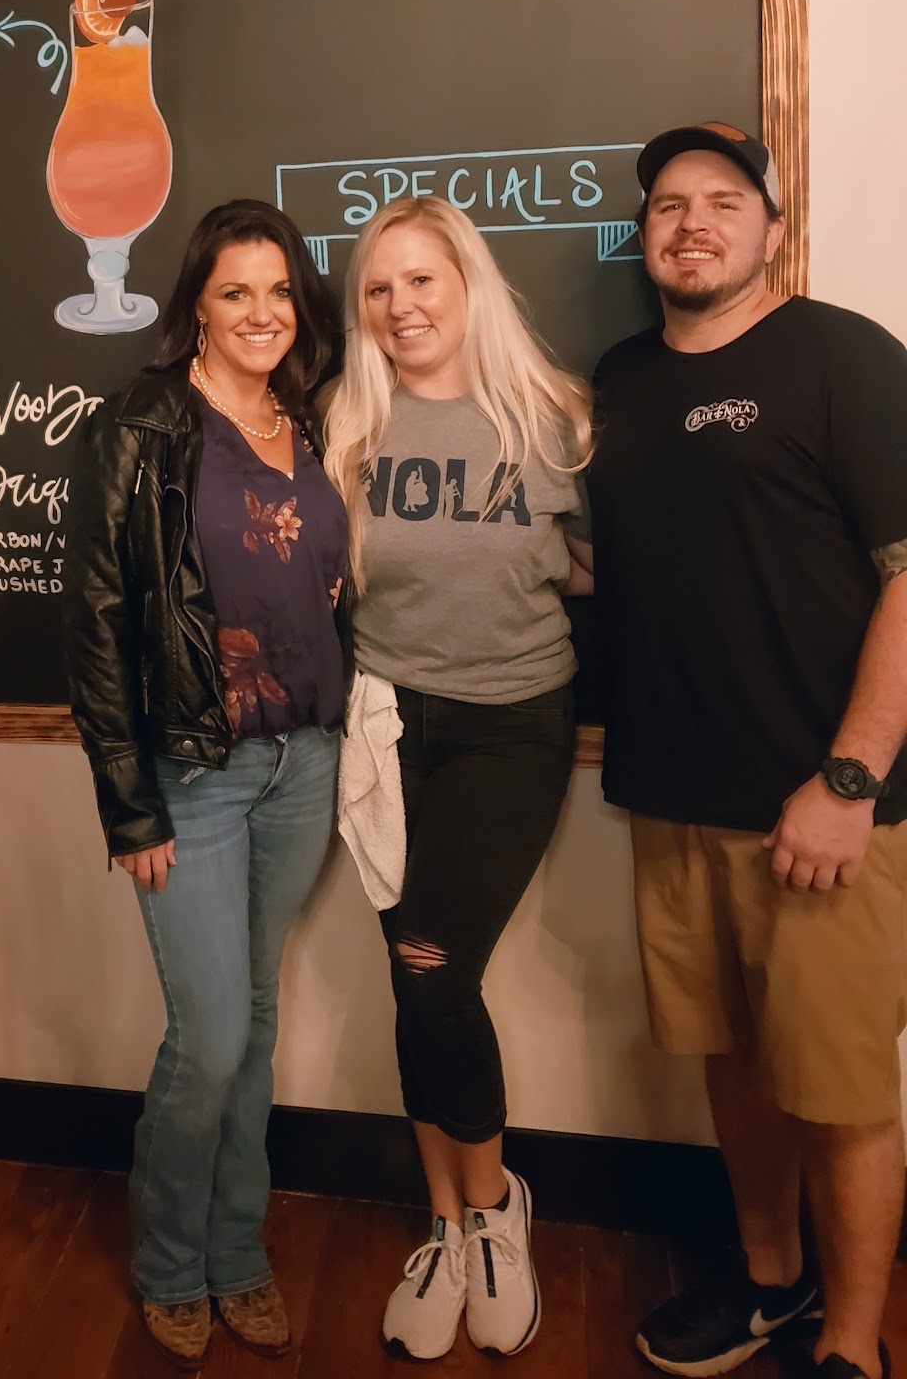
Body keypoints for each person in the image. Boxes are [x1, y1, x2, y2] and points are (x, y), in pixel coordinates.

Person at [590, 123, 907, 1379]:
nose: (693, 223)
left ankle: (853, 1347)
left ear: (773, 230)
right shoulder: (619, 379)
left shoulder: (844, 356)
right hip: (675, 804)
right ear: (644, 235)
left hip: (821, 812)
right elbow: (626, 563)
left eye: (724, 202)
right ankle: (773, 1286)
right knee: (731, 1066)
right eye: (670, 204)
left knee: (840, 1090)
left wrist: (850, 778)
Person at [63, 198, 347, 1368]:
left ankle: (240, 1253)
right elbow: (96, 617)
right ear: (198, 306)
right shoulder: (145, 423)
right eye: (237, 292)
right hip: (195, 770)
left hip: (306, 759)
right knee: (212, 1036)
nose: (262, 313)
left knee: (257, 1019)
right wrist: (128, 804)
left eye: (279, 292)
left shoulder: (312, 420)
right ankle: (173, 1263)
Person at [322, 196, 593, 1362]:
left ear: (468, 283)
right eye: (379, 288)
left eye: (422, 280)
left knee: (432, 964)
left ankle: (496, 1209)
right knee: (411, 976)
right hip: (386, 726)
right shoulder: (347, 427)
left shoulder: (555, 417)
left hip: (510, 726)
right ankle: (446, 1221)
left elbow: (595, 571)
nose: (401, 306)